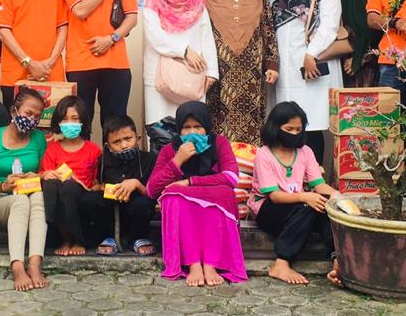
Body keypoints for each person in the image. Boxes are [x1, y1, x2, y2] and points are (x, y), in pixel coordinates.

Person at [147, 101, 246, 287]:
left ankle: (210, 264)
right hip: (185, 198)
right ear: (179, 130)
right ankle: (193, 264)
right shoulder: (170, 149)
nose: (192, 132)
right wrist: (177, 160)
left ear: (207, 127)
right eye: (186, 128)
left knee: (224, 193)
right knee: (173, 196)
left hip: (211, 195)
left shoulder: (219, 143)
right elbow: (152, 190)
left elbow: (231, 177)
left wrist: (190, 182)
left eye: (198, 127)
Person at [61, 0, 138, 132]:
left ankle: (111, 157)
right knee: (79, 125)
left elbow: (132, 18)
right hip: (81, 62)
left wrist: (111, 39)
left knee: (115, 125)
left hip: (116, 62)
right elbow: (80, 11)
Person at [251, 102, 338, 285]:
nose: (294, 133)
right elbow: (274, 196)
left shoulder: (305, 152)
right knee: (307, 207)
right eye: (289, 129)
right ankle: (281, 263)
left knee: (326, 208)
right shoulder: (264, 154)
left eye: (298, 129)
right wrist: (304, 196)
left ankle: (338, 260)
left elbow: (319, 184)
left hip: (299, 206)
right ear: (276, 127)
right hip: (268, 208)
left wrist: (339, 197)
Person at [0, 87, 49, 292]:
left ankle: (35, 264)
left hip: (30, 196)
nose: (32, 119)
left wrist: (36, 177)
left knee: (38, 196)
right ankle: (17, 267)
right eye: (28, 113)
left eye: (37, 116)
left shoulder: (38, 139)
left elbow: (43, 173)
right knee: (20, 201)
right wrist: (3, 185)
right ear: (14, 110)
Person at [203, 0, 279, 143]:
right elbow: (201, 34)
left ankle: (250, 162)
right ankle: (223, 162)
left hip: (252, 72)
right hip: (220, 70)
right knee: (219, 124)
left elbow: (268, 29)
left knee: (252, 124)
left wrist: (272, 64)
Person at [274, 0, 342, 159]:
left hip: (312, 64)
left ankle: (314, 174)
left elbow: (329, 27)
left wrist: (311, 53)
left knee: (310, 125)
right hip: (288, 67)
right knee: (289, 124)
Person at [142, 0, 218, 124]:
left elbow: (206, 36)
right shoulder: (152, 2)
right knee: (160, 128)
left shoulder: (197, 1)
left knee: (191, 126)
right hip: (159, 78)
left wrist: (212, 72)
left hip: (192, 74)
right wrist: (184, 51)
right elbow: (155, 37)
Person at [40, 95, 106, 256]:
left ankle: (77, 240)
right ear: (58, 122)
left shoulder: (93, 150)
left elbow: (99, 181)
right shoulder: (52, 150)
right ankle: (65, 239)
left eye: (75, 118)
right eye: (64, 119)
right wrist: (46, 175)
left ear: (82, 121)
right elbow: (47, 175)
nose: (69, 123)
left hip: (83, 198)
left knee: (69, 187)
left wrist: (92, 186)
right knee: (52, 185)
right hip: (59, 199)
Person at [97, 115, 157, 256]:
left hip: (136, 211)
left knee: (143, 203)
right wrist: (102, 188)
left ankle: (138, 237)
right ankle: (109, 237)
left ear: (138, 137)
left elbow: (154, 193)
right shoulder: (102, 161)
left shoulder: (150, 159)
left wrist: (136, 184)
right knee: (90, 200)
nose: (124, 145)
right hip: (112, 209)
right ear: (107, 146)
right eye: (116, 142)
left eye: (128, 139)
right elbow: (97, 185)